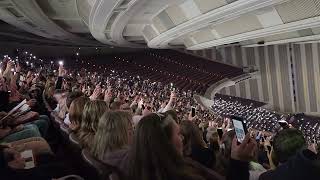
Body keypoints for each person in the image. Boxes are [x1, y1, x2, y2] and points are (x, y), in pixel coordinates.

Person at [125, 113, 224, 180]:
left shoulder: (128, 173)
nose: (182, 138)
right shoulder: (187, 174)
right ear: (165, 144)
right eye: (178, 134)